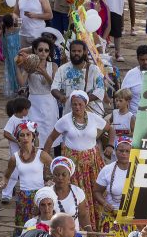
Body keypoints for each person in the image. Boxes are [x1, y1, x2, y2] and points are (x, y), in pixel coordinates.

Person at [43, 91, 112, 226]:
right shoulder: (65, 120)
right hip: (73, 164)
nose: (77, 107)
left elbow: (111, 129)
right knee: (78, 192)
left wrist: (110, 145)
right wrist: (44, 157)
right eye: (74, 104)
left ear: (85, 105)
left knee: (96, 191)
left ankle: (98, 224)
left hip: (92, 162)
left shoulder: (94, 118)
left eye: (80, 104)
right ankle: (79, 224)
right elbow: (51, 138)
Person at [93, 137, 134, 237]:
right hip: (111, 218)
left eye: (127, 151)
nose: (123, 154)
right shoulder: (108, 170)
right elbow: (96, 191)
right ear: (115, 151)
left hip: (130, 219)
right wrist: (104, 203)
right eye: (120, 150)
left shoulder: (139, 170)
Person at [0, 121, 51, 230]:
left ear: (33, 137)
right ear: (18, 138)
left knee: (40, 226)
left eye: (28, 134)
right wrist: (4, 181)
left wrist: (49, 180)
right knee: (24, 226)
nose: (25, 138)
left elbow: (55, 168)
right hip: (23, 197)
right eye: (22, 135)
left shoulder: (41, 155)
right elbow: (7, 174)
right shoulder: (15, 158)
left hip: (40, 196)